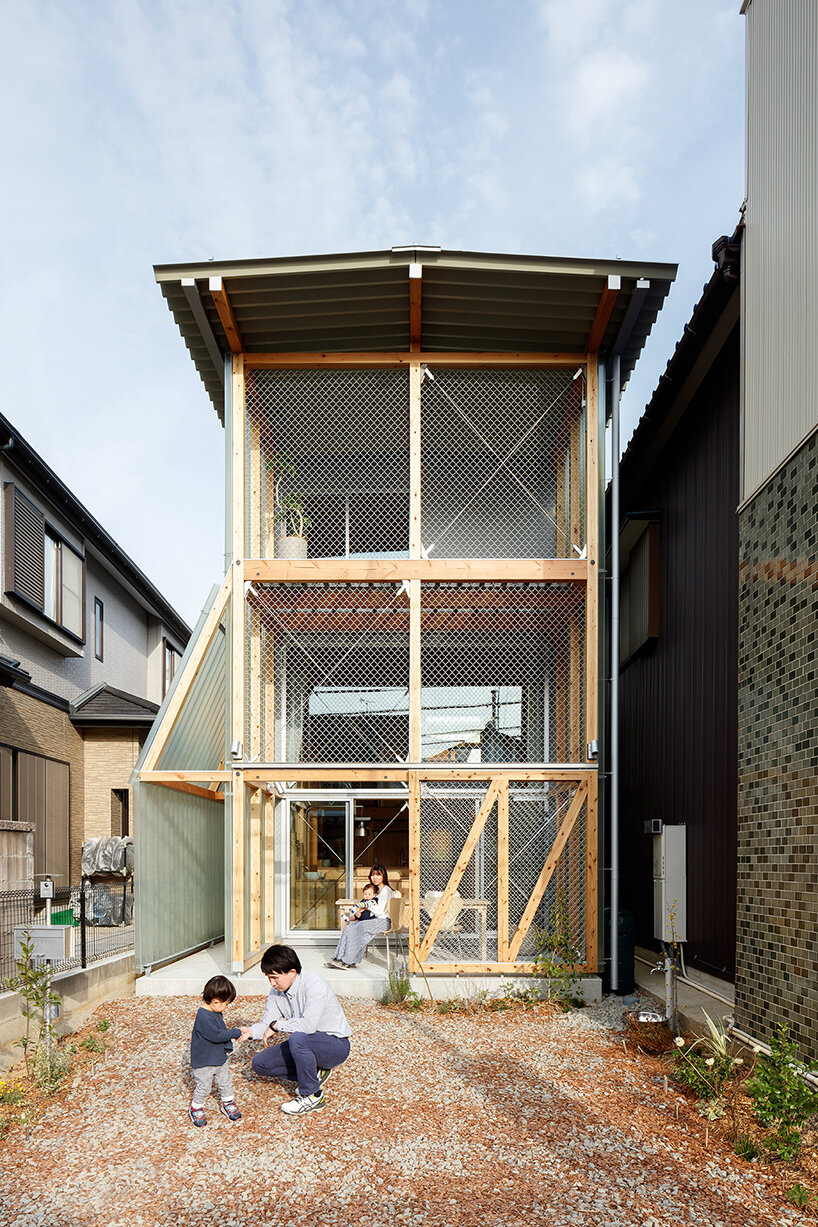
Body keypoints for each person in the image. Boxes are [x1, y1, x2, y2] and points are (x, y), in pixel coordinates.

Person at [250, 944, 352, 1116]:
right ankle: (314, 1073)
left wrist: (277, 1025)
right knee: (260, 1063)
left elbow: (308, 1026)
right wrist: (250, 1032)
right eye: (268, 978)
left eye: (274, 977)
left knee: (297, 1038)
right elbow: (267, 1022)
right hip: (306, 1043)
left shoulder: (315, 984)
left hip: (335, 1046)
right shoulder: (276, 991)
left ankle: (312, 1095)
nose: (272, 983)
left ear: (292, 972)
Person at [189, 975, 251, 1127]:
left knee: (224, 1082)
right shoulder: (204, 1017)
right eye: (226, 1004)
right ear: (216, 1001)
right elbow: (217, 1035)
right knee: (204, 1085)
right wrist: (236, 1032)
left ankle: (227, 1102)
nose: (227, 1007)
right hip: (205, 1060)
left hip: (218, 1057)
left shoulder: (214, 1012)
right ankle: (196, 1107)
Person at [327, 864, 393, 969]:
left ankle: (347, 960)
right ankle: (338, 958)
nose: (375, 877)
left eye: (378, 875)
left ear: (383, 876)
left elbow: (380, 911)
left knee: (356, 929)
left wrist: (365, 906)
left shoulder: (386, 890)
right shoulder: (376, 890)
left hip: (383, 921)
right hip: (375, 919)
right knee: (349, 928)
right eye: (373, 875)